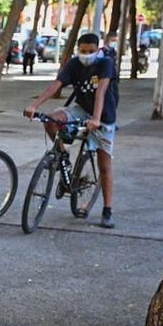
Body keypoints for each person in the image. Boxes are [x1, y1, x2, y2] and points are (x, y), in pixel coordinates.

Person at [24, 33, 118, 229]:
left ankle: (108, 210)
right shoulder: (74, 64)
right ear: (78, 49)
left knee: (104, 165)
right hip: (81, 110)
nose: (87, 55)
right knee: (51, 120)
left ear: (98, 49)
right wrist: (35, 105)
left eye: (91, 51)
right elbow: (55, 86)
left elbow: (101, 91)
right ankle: (62, 156)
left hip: (104, 117)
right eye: (83, 51)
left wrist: (97, 119)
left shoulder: (105, 64)